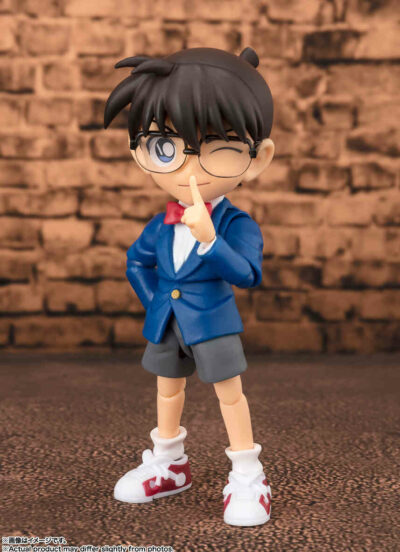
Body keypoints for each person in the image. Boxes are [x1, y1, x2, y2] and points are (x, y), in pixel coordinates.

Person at [104, 46, 275, 526]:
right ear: (141, 153)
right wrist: (155, 303)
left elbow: (248, 274)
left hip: (214, 323)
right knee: (167, 391)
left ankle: (248, 473)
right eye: (166, 147)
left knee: (229, 395)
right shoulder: (160, 224)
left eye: (218, 148)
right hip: (168, 322)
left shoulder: (237, 224)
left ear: (257, 159)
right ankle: (169, 463)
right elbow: (136, 262)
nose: (188, 169)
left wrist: (210, 240)